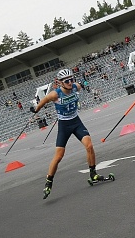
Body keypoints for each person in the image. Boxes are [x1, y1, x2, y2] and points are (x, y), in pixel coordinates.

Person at [31, 68, 104, 199]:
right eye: (67, 81)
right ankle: (49, 182)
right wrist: (36, 109)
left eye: (72, 79)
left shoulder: (75, 87)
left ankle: (93, 174)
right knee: (59, 156)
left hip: (76, 122)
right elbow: (44, 100)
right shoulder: (55, 94)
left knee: (89, 146)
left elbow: (82, 84)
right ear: (60, 83)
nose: (70, 82)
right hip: (64, 126)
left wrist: (84, 82)